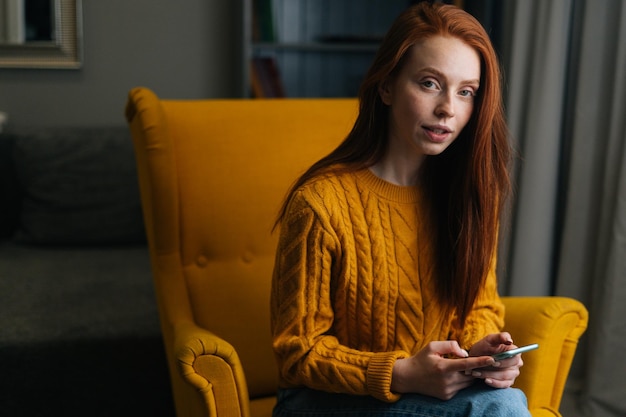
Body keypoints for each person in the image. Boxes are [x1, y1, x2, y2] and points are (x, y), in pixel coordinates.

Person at [270, 2, 531, 416]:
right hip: (324, 401)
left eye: (466, 92)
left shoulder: (466, 198)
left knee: (502, 401)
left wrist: (477, 354)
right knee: (503, 408)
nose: (448, 107)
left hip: (425, 395)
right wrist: (402, 373)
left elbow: (480, 305)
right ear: (387, 86)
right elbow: (297, 354)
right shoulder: (320, 204)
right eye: (430, 83)